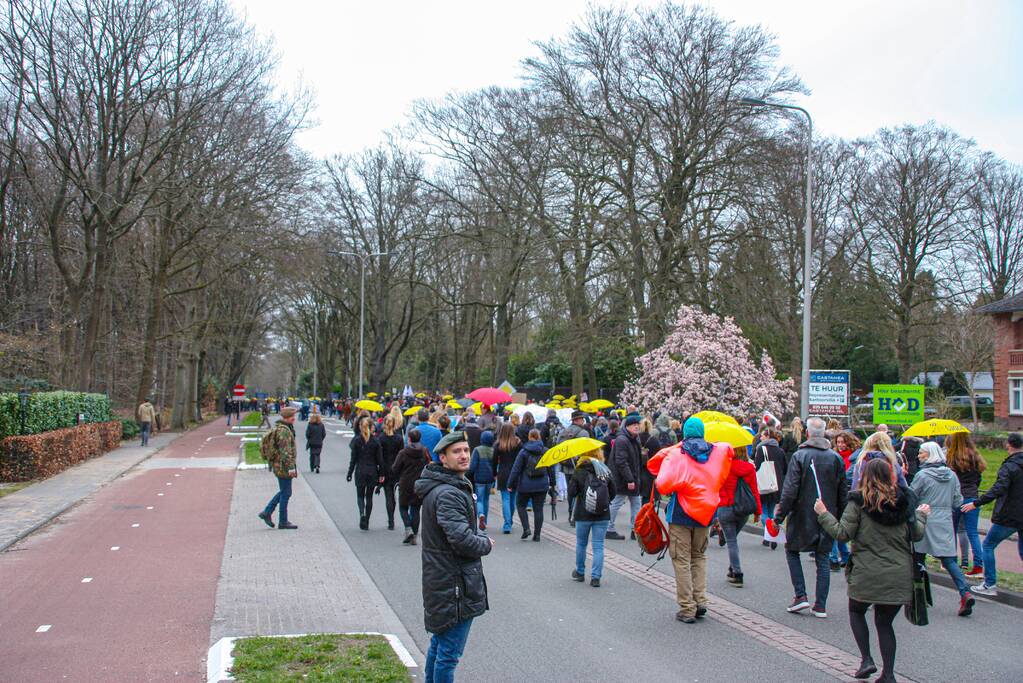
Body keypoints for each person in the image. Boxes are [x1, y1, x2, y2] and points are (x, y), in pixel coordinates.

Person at [815, 458, 930, 683]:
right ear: (891, 476)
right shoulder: (904, 502)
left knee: (857, 611)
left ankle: (866, 659)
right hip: (898, 573)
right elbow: (916, 534)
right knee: (885, 623)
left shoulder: (858, 503)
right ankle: (888, 673)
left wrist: (823, 513)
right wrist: (923, 515)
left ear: (864, 476)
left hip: (866, 572)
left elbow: (842, 534)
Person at [415, 431, 493, 683]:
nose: (463, 456)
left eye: (466, 450)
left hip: (447, 579)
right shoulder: (448, 493)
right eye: (456, 452)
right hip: (454, 583)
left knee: (440, 645)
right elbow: (462, 541)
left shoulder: (449, 487)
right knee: (448, 654)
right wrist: (485, 543)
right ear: (443, 458)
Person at [776, 416, 848, 618]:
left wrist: (780, 515)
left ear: (807, 433)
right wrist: (840, 517)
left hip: (802, 513)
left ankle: (800, 595)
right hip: (827, 513)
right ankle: (821, 604)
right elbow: (843, 491)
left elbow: (790, 490)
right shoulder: (836, 458)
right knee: (823, 557)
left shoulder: (800, 456)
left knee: (792, 551)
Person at [665, 417, 724, 624]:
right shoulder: (714, 454)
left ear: (685, 432)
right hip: (705, 513)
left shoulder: (678, 453)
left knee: (681, 560)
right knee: (698, 557)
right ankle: (700, 600)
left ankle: (687, 607)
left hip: (681, 513)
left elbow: (665, 483)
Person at [911, 441, 975, 616]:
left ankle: (919, 596)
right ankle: (965, 592)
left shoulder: (922, 475)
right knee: (949, 561)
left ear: (929, 455)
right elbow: (957, 501)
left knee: (917, 557)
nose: (918, 455)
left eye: (921, 453)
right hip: (945, 519)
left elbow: (911, 497)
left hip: (924, 516)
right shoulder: (952, 476)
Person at [962, 432, 1023, 596]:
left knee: (988, 545)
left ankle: (990, 584)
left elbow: (998, 488)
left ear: (1008, 445)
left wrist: (976, 503)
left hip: (1009, 514)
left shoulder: (1009, 466)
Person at [567, 448, 616, 587]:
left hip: (583, 514)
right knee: (598, 546)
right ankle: (596, 577)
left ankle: (580, 572)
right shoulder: (605, 471)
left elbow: (571, 493)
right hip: (602, 514)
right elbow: (613, 492)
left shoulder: (579, 470)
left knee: (581, 543)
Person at [717, 444, 762, 587]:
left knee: (731, 541)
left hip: (725, 507)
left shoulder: (723, 466)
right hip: (743, 509)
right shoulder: (750, 469)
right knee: (733, 540)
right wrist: (758, 512)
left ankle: (737, 573)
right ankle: (732, 568)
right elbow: (755, 491)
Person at [946, 431, 986, 576]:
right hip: (972, 497)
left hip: (956, 497)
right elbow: (978, 479)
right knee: (972, 533)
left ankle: (951, 561)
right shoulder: (975, 457)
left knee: (952, 530)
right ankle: (978, 566)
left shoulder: (952, 458)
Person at [508, 428, 556, 541]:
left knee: (520, 505)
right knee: (538, 509)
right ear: (539, 437)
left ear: (529, 437)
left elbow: (516, 469)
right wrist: (553, 483)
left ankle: (526, 528)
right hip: (542, 485)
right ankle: (537, 535)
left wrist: (510, 483)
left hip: (525, 485)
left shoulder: (524, 451)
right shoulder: (545, 451)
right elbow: (551, 469)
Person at [258, 407, 299, 530]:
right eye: (293, 416)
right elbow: (285, 452)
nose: (294, 418)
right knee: (286, 492)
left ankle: (267, 512)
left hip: (279, 465)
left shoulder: (281, 428)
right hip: (283, 466)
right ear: (288, 417)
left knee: (284, 491)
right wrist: (291, 468)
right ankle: (282, 521)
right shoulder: (284, 431)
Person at [605, 415, 644, 540]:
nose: (637, 426)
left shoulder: (634, 438)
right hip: (623, 479)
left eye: (638, 424)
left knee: (636, 503)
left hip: (631, 477)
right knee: (616, 502)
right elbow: (621, 462)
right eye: (634, 425)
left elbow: (636, 460)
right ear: (627, 426)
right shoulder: (622, 440)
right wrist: (630, 479)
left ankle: (635, 530)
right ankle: (608, 529)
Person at [393, 428, 432, 544]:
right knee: (415, 509)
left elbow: (395, 468)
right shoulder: (424, 451)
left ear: (409, 439)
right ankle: (414, 535)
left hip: (405, 482)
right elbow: (428, 465)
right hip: (419, 483)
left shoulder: (403, 452)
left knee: (403, 507)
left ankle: (408, 527)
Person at [348, 416, 385, 530]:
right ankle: (367, 520)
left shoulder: (357, 440)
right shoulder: (375, 441)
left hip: (360, 470)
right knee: (369, 497)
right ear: (371, 427)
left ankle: (361, 513)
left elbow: (353, 458)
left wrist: (350, 472)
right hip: (372, 470)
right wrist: (382, 474)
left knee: (360, 495)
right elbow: (380, 460)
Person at [754, 427, 788, 550]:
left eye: (762, 436)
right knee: (771, 511)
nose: (761, 438)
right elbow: (785, 468)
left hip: (764, 484)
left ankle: (771, 534)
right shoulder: (780, 451)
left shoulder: (761, 449)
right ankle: (768, 536)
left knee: (764, 512)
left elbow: (757, 467)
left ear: (768, 437)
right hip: (776, 485)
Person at [493, 422, 522, 534]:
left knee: (505, 498)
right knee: (513, 498)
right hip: (515, 472)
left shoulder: (499, 444)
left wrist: (494, 473)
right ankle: (510, 521)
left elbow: (494, 460)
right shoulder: (518, 443)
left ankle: (507, 523)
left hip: (503, 472)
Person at [379, 414, 405, 530]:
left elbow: (379, 456)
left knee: (388, 495)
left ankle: (391, 520)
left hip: (385, 468)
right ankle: (392, 517)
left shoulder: (381, 438)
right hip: (397, 468)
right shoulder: (399, 438)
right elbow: (402, 454)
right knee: (394, 495)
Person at [468, 430, 496, 530]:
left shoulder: (477, 450)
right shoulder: (493, 450)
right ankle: (486, 521)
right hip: (490, 478)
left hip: (479, 478)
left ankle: (480, 515)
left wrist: (468, 474)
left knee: (479, 499)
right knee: (486, 499)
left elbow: (473, 466)